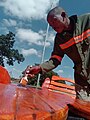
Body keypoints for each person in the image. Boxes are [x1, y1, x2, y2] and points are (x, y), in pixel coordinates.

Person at [22, 6, 90, 101]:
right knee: (82, 107)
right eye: (51, 25)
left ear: (63, 15)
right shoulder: (59, 40)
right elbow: (55, 59)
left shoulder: (87, 21)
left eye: (54, 21)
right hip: (81, 79)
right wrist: (40, 68)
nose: (53, 27)